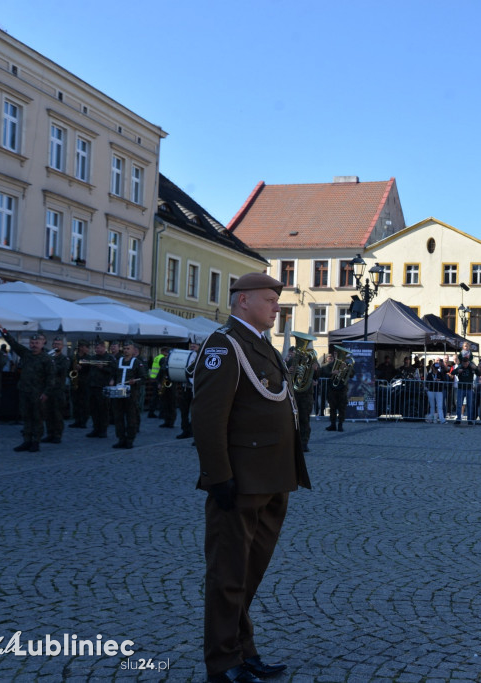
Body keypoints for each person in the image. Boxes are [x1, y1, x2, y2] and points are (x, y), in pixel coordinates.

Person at [192, 272, 310, 683]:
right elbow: (208, 417)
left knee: (248, 573)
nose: (276, 306)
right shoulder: (223, 346)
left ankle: (243, 649)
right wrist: (217, 476)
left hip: (272, 478)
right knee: (227, 575)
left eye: (276, 300)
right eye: (268, 299)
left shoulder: (260, 345)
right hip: (240, 482)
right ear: (243, 301)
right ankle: (222, 662)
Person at [0, 328, 55, 453]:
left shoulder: (46, 359)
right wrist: (3, 330)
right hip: (24, 391)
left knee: (37, 418)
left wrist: (46, 393)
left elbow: (51, 378)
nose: (34, 345)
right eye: (32, 343)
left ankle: (36, 442)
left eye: (37, 343)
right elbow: (13, 343)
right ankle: (26, 440)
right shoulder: (26, 354)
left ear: (43, 343)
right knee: (26, 417)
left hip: (38, 393)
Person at [110, 340, 147, 449]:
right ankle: (121, 439)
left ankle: (130, 439)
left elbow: (144, 378)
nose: (126, 351)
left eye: (128, 349)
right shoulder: (118, 361)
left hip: (131, 394)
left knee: (131, 417)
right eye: (125, 349)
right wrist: (112, 380)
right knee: (118, 417)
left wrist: (135, 381)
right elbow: (113, 374)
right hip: (118, 392)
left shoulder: (136, 362)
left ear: (133, 350)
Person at [41, 336, 71, 444]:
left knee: (57, 414)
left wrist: (50, 362)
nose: (56, 346)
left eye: (58, 344)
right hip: (48, 389)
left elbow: (59, 370)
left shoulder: (64, 359)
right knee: (47, 413)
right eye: (54, 344)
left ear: (62, 346)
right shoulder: (49, 357)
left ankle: (57, 434)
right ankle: (50, 433)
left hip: (58, 389)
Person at [85, 340, 115, 439]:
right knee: (93, 409)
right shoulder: (93, 358)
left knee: (103, 409)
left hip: (103, 386)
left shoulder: (110, 358)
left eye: (98, 348)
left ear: (104, 347)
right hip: (92, 386)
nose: (97, 349)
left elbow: (114, 371)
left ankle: (103, 430)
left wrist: (103, 368)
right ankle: (96, 428)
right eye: (96, 348)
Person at [320, 351, 350, 432]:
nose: (338, 356)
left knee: (342, 408)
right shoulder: (330, 365)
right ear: (335, 355)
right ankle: (333, 424)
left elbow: (352, 374)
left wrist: (346, 368)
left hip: (342, 389)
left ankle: (340, 424)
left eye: (340, 355)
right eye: (337, 354)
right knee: (332, 408)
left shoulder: (346, 364)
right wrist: (331, 373)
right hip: (332, 389)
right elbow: (322, 372)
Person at [177, 341, 200, 440]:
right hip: (185, 387)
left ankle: (196, 435)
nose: (192, 345)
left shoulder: (201, 356)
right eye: (191, 344)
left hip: (196, 389)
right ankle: (185, 430)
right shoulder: (186, 355)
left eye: (195, 344)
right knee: (184, 411)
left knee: (196, 413)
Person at [450, 355, 481, 425]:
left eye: (466, 363)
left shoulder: (471, 367)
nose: (465, 365)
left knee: (470, 404)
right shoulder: (460, 366)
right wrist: (458, 370)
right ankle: (458, 419)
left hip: (469, 389)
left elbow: (479, 374)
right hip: (461, 388)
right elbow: (452, 372)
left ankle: (469, 420)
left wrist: (475, 368)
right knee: (459, 404)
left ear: (468, 362)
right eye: (464, 363)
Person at [68, 340, 91, 429]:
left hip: (85, 383)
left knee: (84, 403)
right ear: (81, 348)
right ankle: (77, 420)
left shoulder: (89, 357)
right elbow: (69, 369)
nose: (87, 349)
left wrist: (82, 368)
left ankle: (83, 421)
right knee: (75, 402)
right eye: (86, 347)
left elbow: (91, 370)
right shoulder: (73, 357)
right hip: (75, 382)